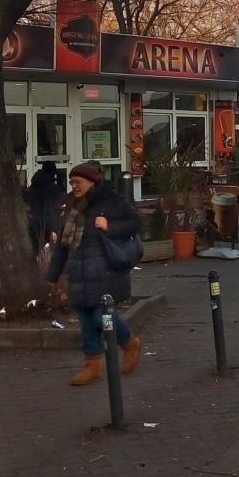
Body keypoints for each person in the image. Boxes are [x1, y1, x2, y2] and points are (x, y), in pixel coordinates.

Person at [44, 161, 142, 386]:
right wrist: (52, 276)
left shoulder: (111, 200)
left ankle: (130, 343)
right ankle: (93, 366)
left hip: (105, 272)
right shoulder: (72, 205)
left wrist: (110, 226)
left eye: (78, 182)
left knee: (102, 316)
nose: (74, 186)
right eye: (71, 182)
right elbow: (63, 245)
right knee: (86, 321)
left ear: (91, 181)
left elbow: (134, 222)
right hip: (79, 273)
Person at [24, 161, 65, 251]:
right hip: (49, 223)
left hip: (35, 222)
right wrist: (54, 228)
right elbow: (53, 208)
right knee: (54, 253)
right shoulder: (52, 188)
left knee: (35, 251)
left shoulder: (32, 187)